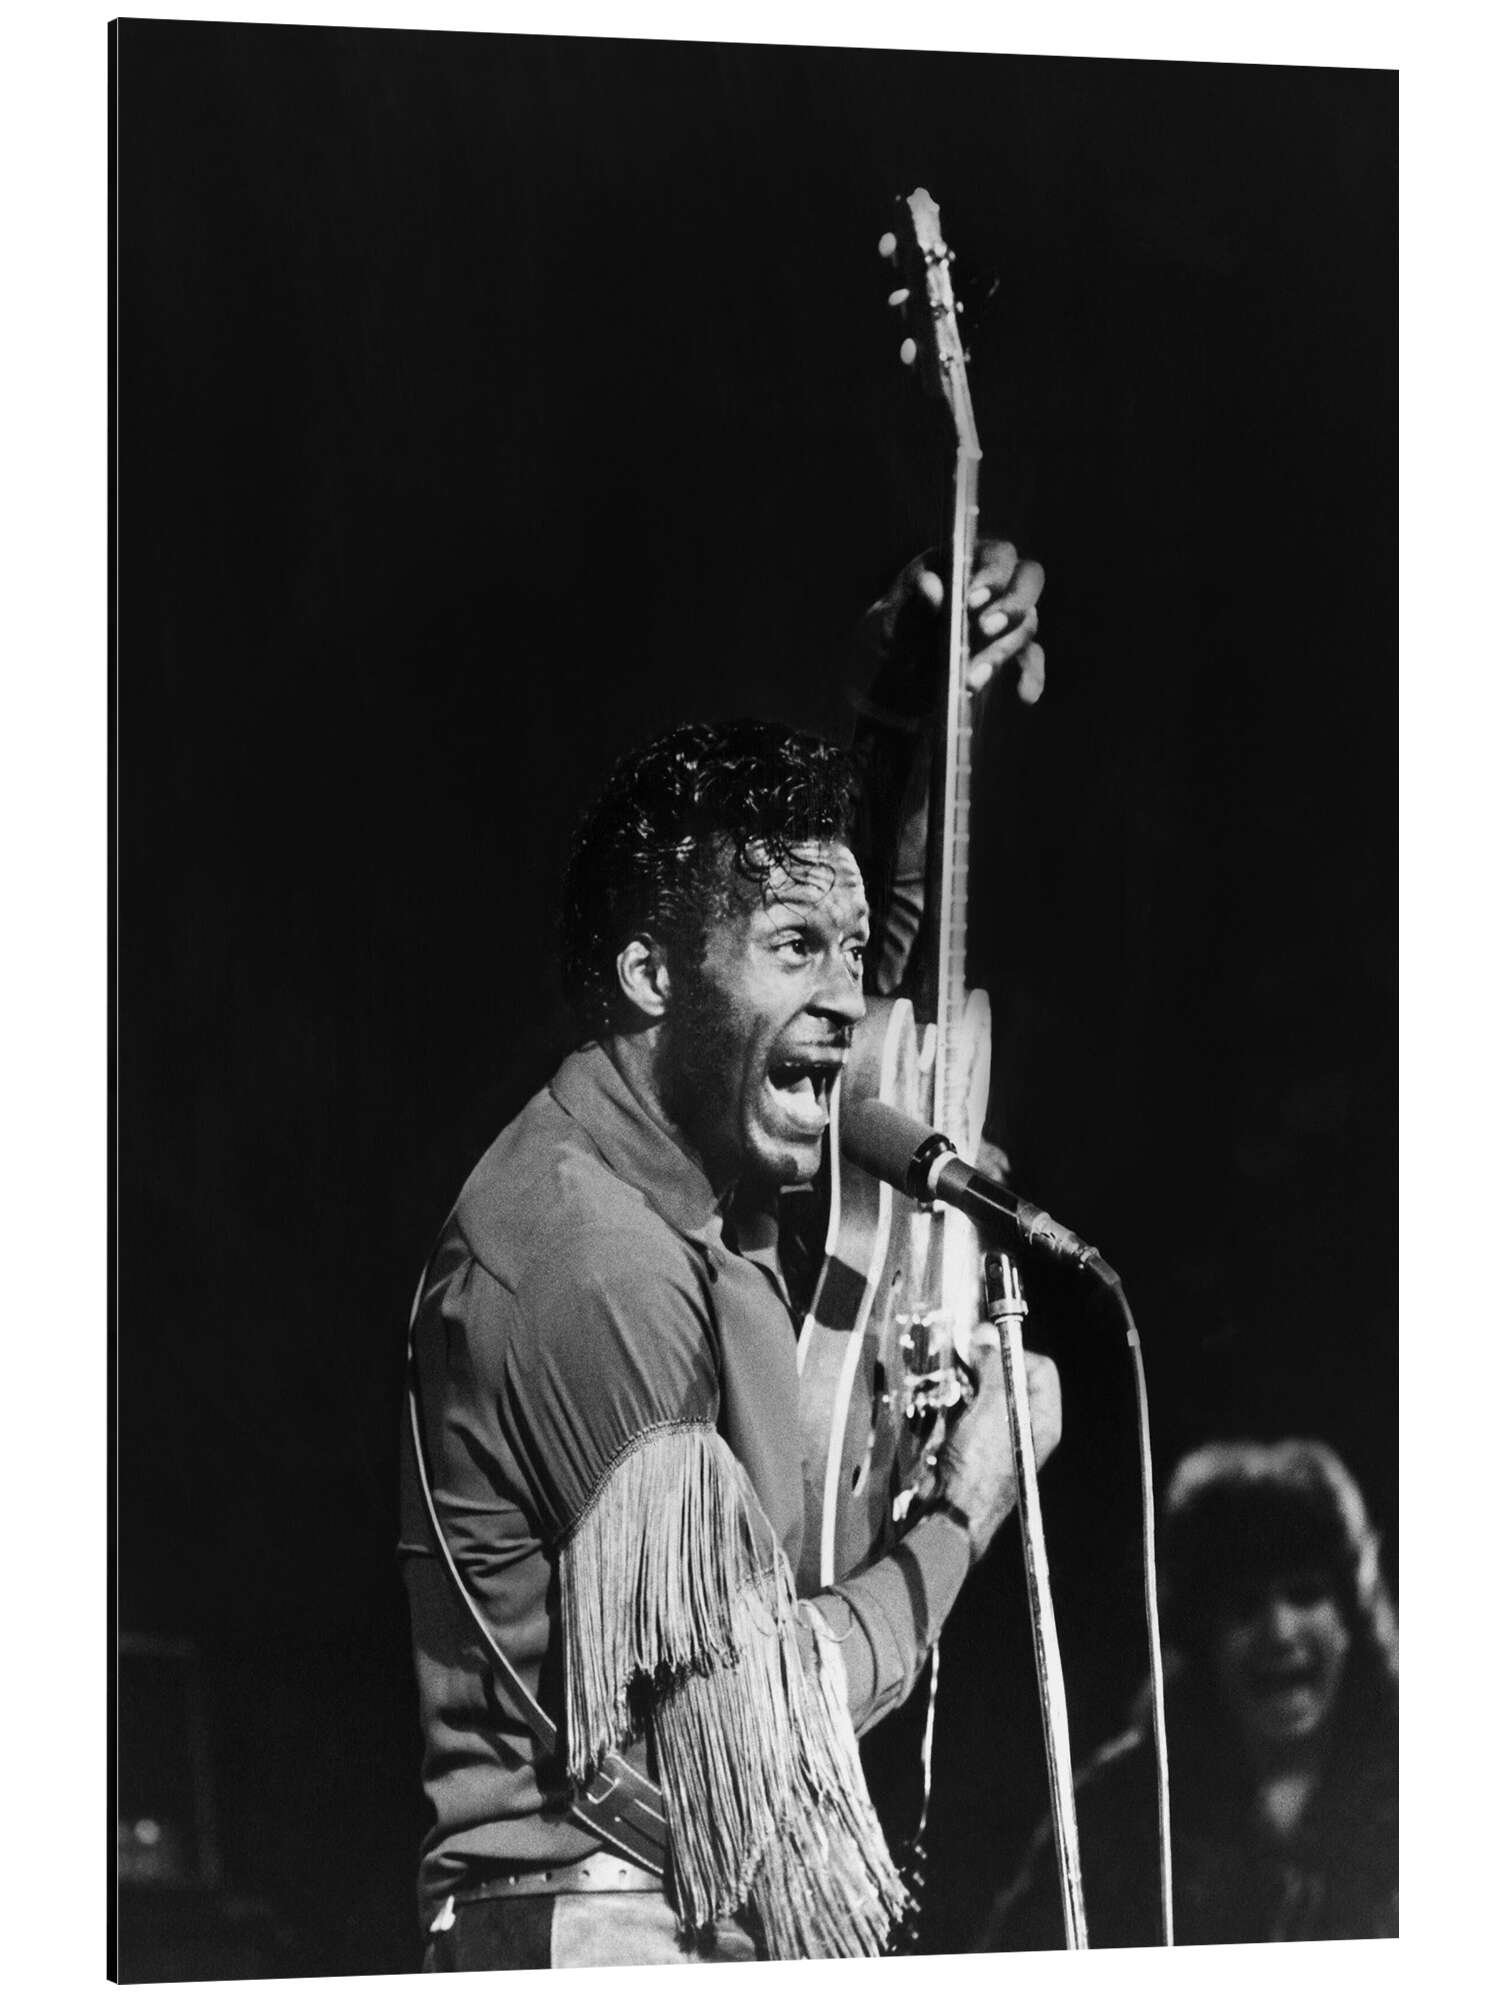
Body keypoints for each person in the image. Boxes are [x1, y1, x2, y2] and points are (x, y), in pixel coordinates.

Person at [398, 543, 1064, 1968]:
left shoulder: (686, 1173)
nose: (848, 1001)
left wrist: (909, 708)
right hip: (603, 1929)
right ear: (652, 977)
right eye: (793, 949)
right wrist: (967, 1506)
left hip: (675, 1909)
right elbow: (752, 1730)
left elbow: (863, 966)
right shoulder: (594, 1262)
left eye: (845, 954)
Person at [983, 1437, 1399, 1950]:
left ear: (1351, 1615)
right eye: (1245, 1607)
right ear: (1202, 1637)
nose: (1279, 1631)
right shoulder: (1120, 1807)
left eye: (1306, 1594)